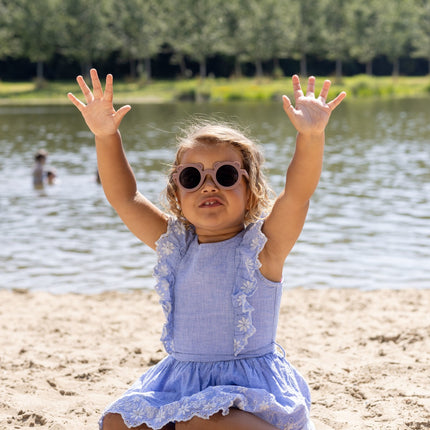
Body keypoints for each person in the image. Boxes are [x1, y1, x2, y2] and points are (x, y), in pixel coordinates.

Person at [67, 69, 346, 430]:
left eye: (226, 176)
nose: (208, 186)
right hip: (180, 382)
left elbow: (297, 194)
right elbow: (124, 197)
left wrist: (310, 136)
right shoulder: (176, 244)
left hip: (249, 394)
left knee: (205, 420)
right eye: (192, 177)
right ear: (177, 194)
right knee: (118, 421)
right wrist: (107, 135)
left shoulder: (263, 248)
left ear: (251, 189)